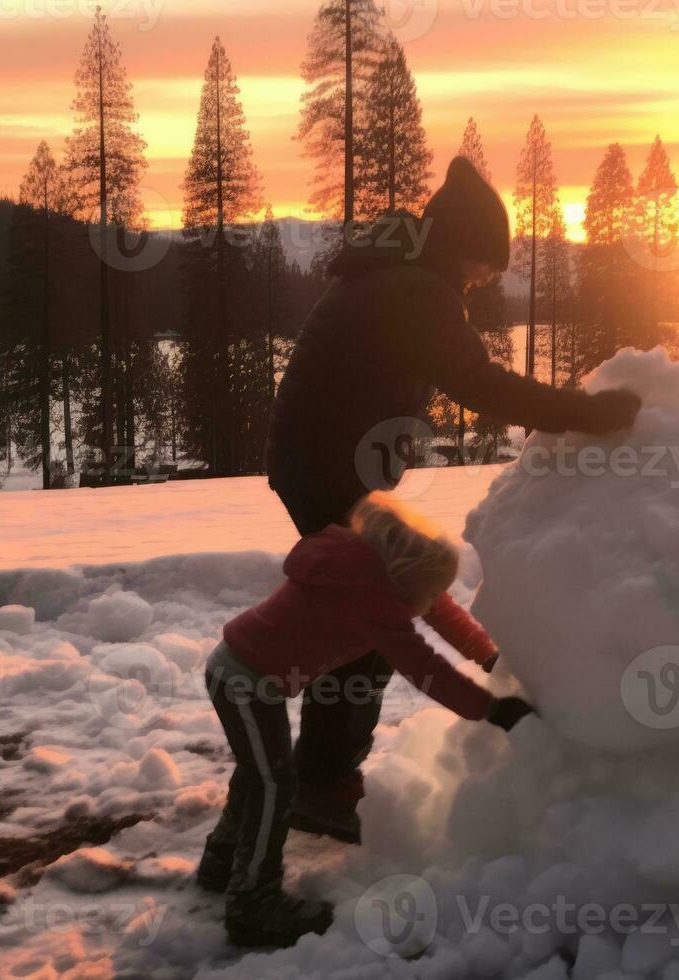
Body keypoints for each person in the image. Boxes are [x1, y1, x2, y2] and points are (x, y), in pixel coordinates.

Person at [265, 156, 640, 842]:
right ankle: (319, 785)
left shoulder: (394, 278)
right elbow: (479, 384)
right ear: (461, 248)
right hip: (327, 474)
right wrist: (588, 413)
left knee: (371, 599)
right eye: (483, 266)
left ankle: (314, 773)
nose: (483, 280)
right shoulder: (415, 291)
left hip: (324, 468)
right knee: (368, 618)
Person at [195, 493, 535, 948]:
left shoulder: (376, 571)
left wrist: (488, 653)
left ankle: (223, 862)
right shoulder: (373, 601)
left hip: (248, 677)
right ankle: (252, 902)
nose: (434, 602)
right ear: (404, 585)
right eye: (430, 594)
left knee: (260, 774)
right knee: (273, 784)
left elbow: (440, 610)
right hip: (245, 682)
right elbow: (425, 668)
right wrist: (491, 709)